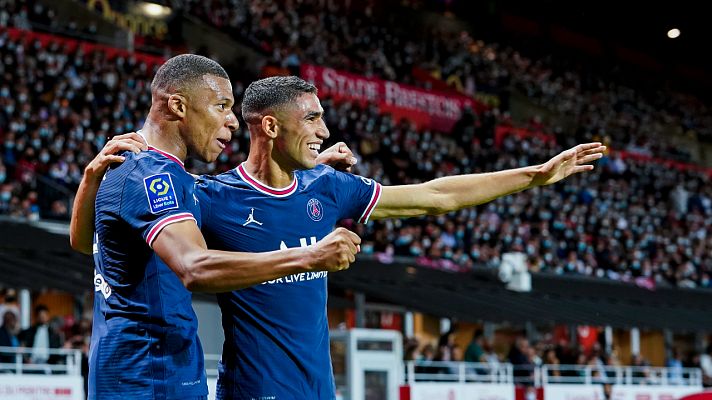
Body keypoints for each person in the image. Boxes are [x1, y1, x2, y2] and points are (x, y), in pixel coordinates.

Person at [75, 75, 605, 399]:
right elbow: (119, 234)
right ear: (271, 128)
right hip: (250, 388)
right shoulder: (211, 197)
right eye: (312, 118)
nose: (326, 131)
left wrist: (533, 175)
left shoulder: (328, 188)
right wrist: (96, 178)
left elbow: (435, 195)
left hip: (320, 387)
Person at [69, 55, 362, 400]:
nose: (233, 121)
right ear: (178, 105)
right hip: (143, 379)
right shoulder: (151, 175)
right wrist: (310, 256)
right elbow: (195, 267)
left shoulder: (168, 175)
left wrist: (298, 168)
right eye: (221, 105)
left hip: (171, 370)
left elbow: (83, 241)